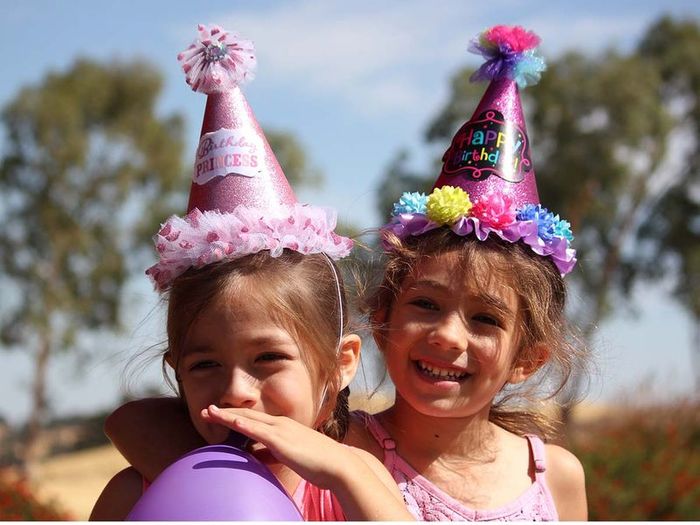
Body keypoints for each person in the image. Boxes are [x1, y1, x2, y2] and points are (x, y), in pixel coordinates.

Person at [105, 25, 589, 521]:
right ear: (381, 314)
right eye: (425, 303)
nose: (447, 334)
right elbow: (137, 421)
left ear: (530, 357)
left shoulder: (349, 465)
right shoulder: (343, 447)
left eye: (486, 318)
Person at [90, 24, 413, 522]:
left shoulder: (354, 487)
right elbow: (129, 420)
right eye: (204, 365)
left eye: (268, 357)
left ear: (343, 361)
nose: (236, 390)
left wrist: (346, 474)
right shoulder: (136, 495)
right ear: (176, 371)